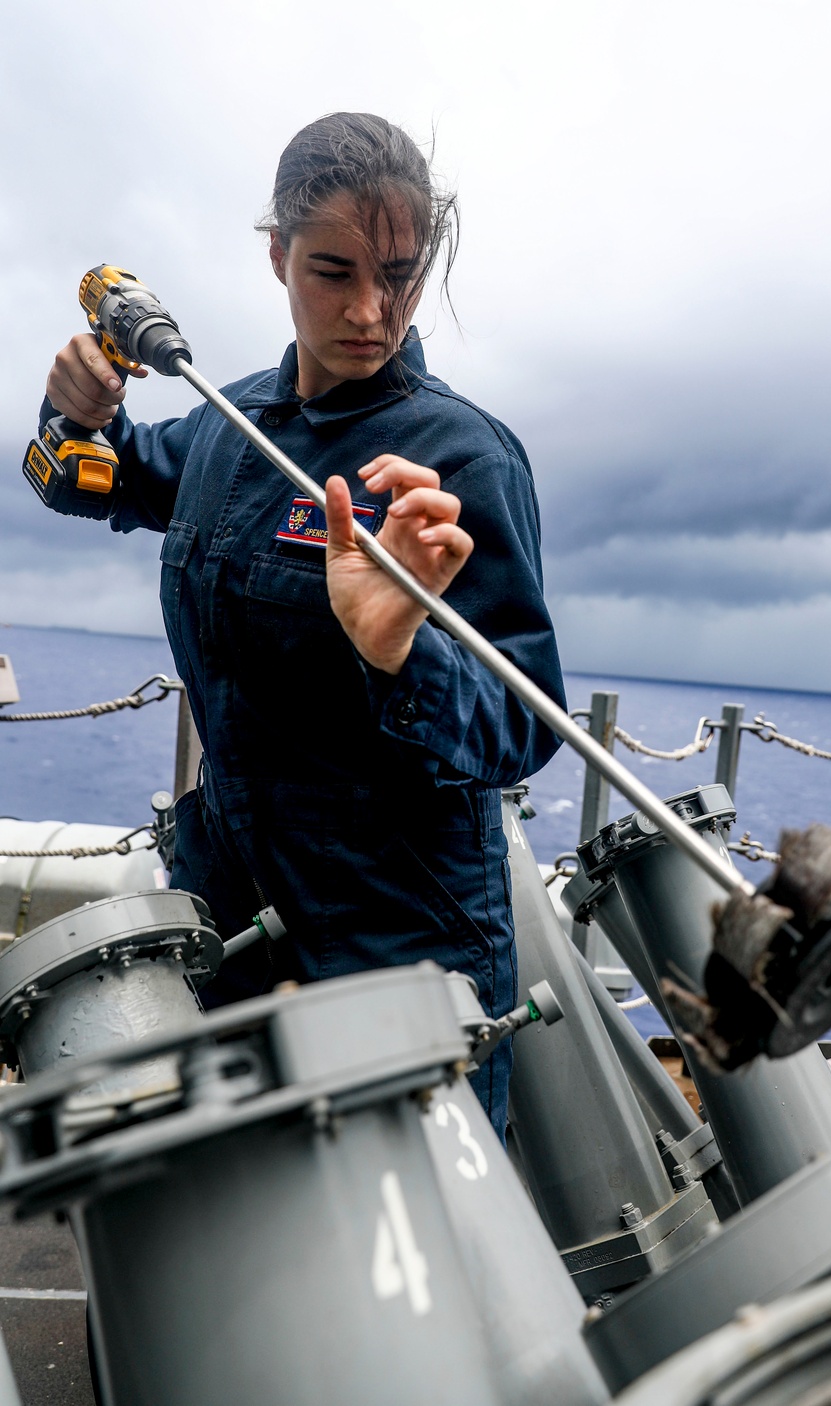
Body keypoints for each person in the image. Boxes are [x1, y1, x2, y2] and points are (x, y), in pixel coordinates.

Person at [40, 112, 564, 1140]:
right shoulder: (228, 427)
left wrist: (397, 650)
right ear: (277, 253)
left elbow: (525, 719)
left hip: (401, 923)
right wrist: (76, 416)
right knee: (199, 1224)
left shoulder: (464, 457)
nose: (372, 310)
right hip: (227, 897)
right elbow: (92, 477)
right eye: (334, 270)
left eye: (403, 276)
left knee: (427, 1262)